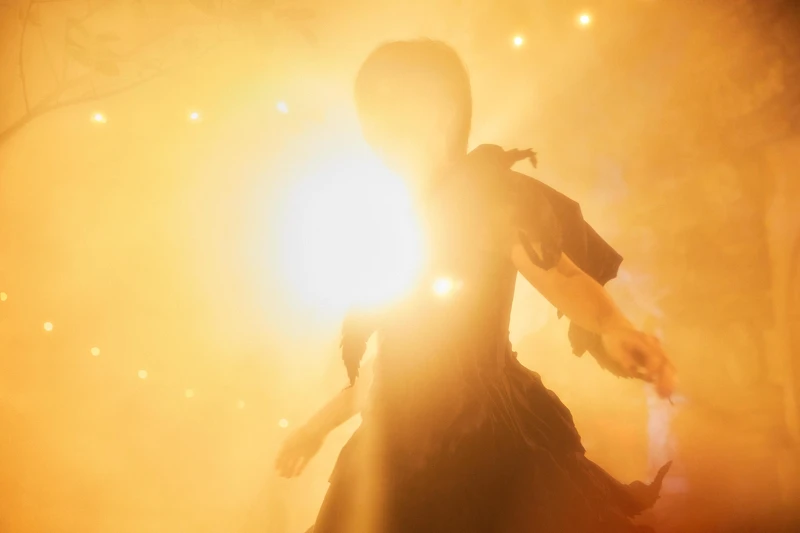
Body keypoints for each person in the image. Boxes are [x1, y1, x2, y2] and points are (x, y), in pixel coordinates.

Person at [277, 39, 676, 533]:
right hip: (396, 448)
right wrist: (315, 428)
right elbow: (392, 365)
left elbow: (563, 275)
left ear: (441, 112)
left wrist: (613, 324)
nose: (373, 131)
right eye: (368, 114)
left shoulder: (489, 199)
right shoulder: (403, 220)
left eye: (386, 110)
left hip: (478, 439)